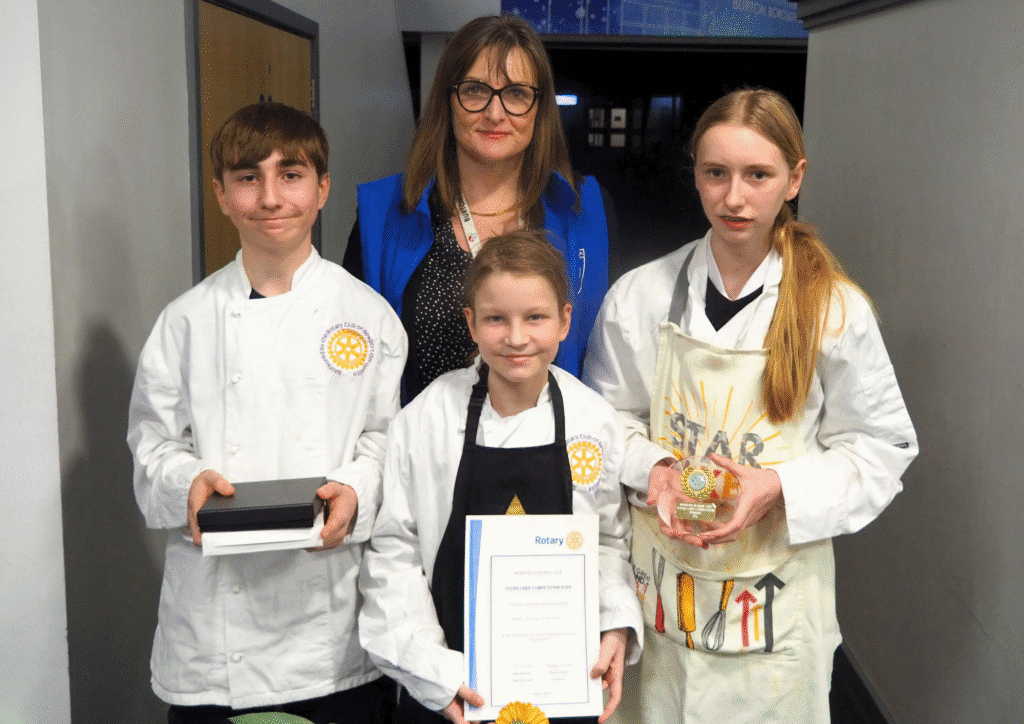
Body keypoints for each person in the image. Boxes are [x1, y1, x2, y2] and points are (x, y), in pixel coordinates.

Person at [583, 88, 918, 723]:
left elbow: (882, 446)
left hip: (775, 616)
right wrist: (658, 470)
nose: (734, 198)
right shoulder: (641, 296)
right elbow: (604, 420)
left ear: (794, 178)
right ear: (696, 176)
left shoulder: (833, 310)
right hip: (663, 603)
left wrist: (776, 488)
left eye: (757, 175)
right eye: (717, 173)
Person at [127, 102, 407, 724]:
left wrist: (355, 491)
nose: (271, 197)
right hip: (213, 638)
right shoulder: (185, 322)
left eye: (292, 175)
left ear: (323, 188)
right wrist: (187, 482)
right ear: (221, 195)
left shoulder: (369, 318)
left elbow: (385, 442)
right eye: (249, 177)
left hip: (328, 630)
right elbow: (152, 445)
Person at [358, 230, 642, 724]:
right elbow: (395, 553)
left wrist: (614, 625)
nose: (516, 338)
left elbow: (609, 544)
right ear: (471, 322)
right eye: (496, 319)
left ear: (565, 321)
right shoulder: (426, 419)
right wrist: (434, 671)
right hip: (450, 688)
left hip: (561, 689)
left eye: (535, 317)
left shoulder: (592, 420)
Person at [345, 14, 619, 403]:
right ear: (447, 100)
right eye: (475, 90)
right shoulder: (385, 212)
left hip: (550, 438)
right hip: (421, 439)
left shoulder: (586, 210)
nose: (495, 113)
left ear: (539, 107)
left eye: (516, 94)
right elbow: (351, 360)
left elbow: (608, 362)